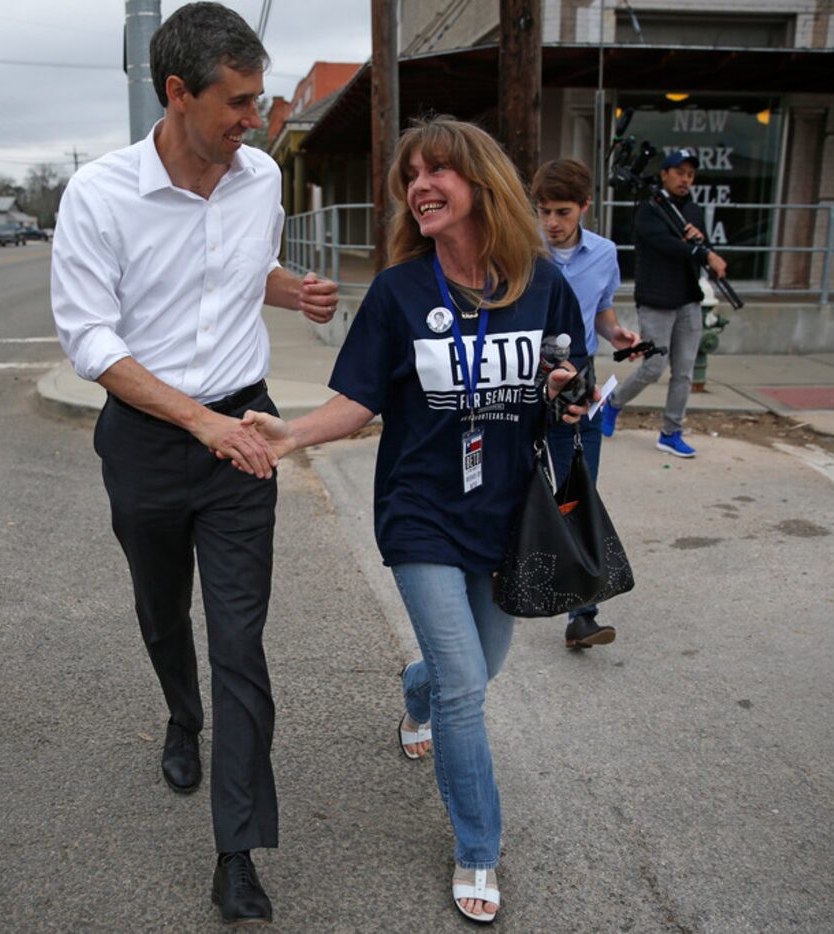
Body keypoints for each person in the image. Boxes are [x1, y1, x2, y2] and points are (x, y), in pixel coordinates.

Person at [243, 115, 590, 925]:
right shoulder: (401, 293)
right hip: (422, 511)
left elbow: (570, 391)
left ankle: (416, 694)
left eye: (438, 171)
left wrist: (568, 396)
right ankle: (478, 847)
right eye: (410, 176)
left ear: (481, 185)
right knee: (469, 685)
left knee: (477, 665)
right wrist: (290, 433)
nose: (420, 186)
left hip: (507, 514)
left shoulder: (542, 283)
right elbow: (360, 398)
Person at [48, 3, 337, 924]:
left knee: (241, 643)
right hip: (146, 437)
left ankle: (237, 851)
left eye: (258, 100)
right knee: (161, 609)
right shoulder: (99, 194)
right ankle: (181, 713)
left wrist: (295, 292)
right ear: (177, 94)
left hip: (243, 427)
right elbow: (91, 336)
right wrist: (195, 423)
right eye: (239, 102)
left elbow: (239, 270)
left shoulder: (257, 182)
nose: (256, 119)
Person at [531, 158, 641, 650]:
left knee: (580, 489)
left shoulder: (605, 252)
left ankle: (583, 614)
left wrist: (618, 333)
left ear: (585, 208)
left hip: (582, 377)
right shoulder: (524, 250)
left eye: (562, 212)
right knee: (515, 483)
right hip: (527, 377)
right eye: (543, 211)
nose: (552, 222)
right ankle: (504, 576)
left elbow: (602, 311)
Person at [599, 147, 727, 458]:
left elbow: (702, 251)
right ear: (665, 174)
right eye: (680, 172)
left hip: (688, 301)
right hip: (657, 300)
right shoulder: (650, 209)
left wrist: (701, 244)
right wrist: (696, 249)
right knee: (653, 368)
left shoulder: (693, 212)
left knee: (683, 372)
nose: (685, 179)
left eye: (690, 174)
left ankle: (671, 432)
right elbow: (664, 245)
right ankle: (612, 403)